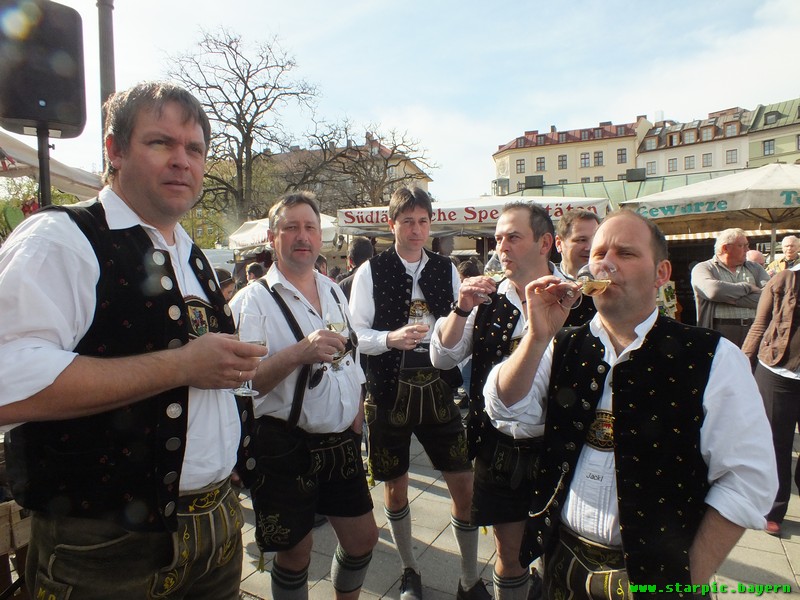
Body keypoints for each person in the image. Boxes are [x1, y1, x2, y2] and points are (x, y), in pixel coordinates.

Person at [0, 82, 267, 599]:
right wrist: (182, 366)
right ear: (115, 151)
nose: (182, 161)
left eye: (194, 149)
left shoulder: (190, 253)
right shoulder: (61, 238)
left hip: (219, 527)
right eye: (160, 143)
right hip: (107, 547)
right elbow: (7, 381)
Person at [484, 210, 776, 599]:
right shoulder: (562, 343)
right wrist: (536, 338)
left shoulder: (713, 356)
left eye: (625, 253)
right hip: (562, 562)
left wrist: (687, 582)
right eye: (599, 252)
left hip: (657, 577)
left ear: (661, 273)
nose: (605, 262)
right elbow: (504, 409)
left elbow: (748, 480)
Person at [229, 192, 378, 600]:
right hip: (283, 445)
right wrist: (299, 353)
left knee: (363, 538)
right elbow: (243, 386)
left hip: (340, 439)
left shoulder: (332, 290)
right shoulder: (250, 301)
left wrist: (357, 412)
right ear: (273, 237)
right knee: (295, 554)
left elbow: (351, 354)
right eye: (291, 227)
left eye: (310, 227)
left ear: (320, 236)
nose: (302, 236)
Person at [350, 187, 489, 600]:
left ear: (431, 225)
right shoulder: (370, 271)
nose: (416, 229)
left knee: (464, 483)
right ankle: (409, 569)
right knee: (394, 487)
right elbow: (357, 334)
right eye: (407, 221)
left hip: (438, 388)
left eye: (422, 221)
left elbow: (456, 326)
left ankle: (467, 577)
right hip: (389, 389)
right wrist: (391, 338)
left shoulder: (446, 268)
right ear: (392, 224)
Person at [431, 202, 557, 600]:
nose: (502, 246)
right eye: (499, 238)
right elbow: (442, 356)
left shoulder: (576, 298)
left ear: (545, 243)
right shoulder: (486, 299)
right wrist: (460, 306)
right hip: (499, 444)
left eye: (513, 237)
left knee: (558, 551)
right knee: (510, 553)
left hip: (561, 442)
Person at [742, 263, 800, 538]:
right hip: (778, 372)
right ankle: (774, 509)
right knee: (777, 442)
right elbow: (760, 324)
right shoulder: (785, 279)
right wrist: (744, 360)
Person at [691, 228, 769, 346]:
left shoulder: (755, 268)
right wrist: (748, 287)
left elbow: (770, 297)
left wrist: (728, 298)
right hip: (719, 331)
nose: (747, 250)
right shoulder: (704, 268)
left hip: (754, 330)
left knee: (750, 364)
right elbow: (713, 291)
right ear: (725, 248)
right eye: (742, 246)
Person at [552, 209, 601, 328]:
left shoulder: (608, 285)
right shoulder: (547, 287)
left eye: (595, 240)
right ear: (559, 243)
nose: (590, 247)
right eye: (581, 240)